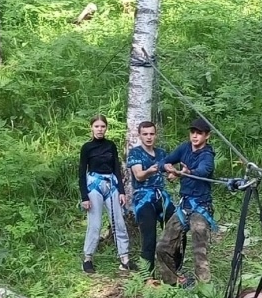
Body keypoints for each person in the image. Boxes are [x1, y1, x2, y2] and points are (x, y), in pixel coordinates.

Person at [157, 117, 216, 286]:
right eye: (193, 132)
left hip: (201, 207)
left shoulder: (207, 155)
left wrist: (186, 172)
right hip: (184, 207)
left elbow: (204, 170)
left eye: (199, 133)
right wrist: (166, 167)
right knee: (163, 247)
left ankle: (204, 288)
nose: (195, 136)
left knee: (199, 250)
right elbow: (164, 161)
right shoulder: (184, 148)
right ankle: (173, 282)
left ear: (207, 136)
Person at [78, 115, 133, 274]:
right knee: (94, 224)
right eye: (97, 126)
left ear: (106, 128)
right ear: (91, 128)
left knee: (119, 222)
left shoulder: (111, 145)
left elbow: (116, 168)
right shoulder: (87, 148)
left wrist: (122, 191)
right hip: (94, 186)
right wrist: (84, 197)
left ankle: (124, 258)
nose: (100, 129)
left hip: (112, 185)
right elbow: (82, 173)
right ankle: (88, 259)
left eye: (102, 126)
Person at [127, 120, 174, 276]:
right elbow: (139, 175)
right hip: (143, 198)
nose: (149, 137)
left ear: (156, 135)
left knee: (177, 229)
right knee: (149, 238)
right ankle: (148, 276)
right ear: (139, 135)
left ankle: (173, 271)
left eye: (151, 134)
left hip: (161, 197)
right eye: (145, 134)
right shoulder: (135, 153)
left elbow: (169, 173)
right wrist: (151, 170)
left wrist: (174, 174)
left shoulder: (161, 153)